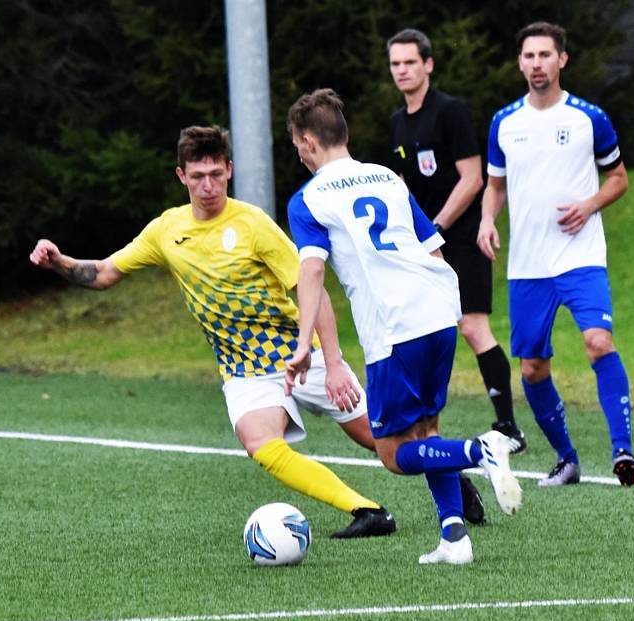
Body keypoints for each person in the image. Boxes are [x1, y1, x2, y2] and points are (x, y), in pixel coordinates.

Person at [29, 125, 396, 538]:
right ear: (181, 176)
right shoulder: (167, 230)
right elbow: (104, 272)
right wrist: (58, 261)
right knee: (262, 444)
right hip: (243, 370)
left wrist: (333, 364)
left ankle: (452, 480)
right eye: (198, 176)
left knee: (385, 443)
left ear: (230, 171)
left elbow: (314, 290)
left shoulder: (253, 223)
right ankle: (368, 511)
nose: (208, 186)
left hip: (299, 355)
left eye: (216, 175)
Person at [284, 88, 522, 565]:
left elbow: (311, 272)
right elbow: (432, 245)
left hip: (393, 326)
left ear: (308, 142)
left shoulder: (308, 199)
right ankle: (454, 538)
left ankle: (482, 451)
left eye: (297, 146)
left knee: (393, 453)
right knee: (426, 429)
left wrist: (304, 343)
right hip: (438, 309)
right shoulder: (388, 179)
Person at [478, 22, 634, 487]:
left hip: (581, 256)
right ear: (520, 63)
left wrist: (590, 205)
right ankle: (566, 459)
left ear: (562, 60)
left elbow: (619, 178)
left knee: (598, 342)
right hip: (527, 266)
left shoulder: (589, 118)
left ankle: (623, 450)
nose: (536, 64)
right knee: (532, 366)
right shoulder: (504, 123)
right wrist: (488, 220)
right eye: (529, 56)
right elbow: (494, 186)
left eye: (545, 55)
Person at [387, 29, 526, 457]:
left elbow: (473, 178)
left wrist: (437, 226)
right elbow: (406, 185)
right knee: (426, 328)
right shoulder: (397, 122)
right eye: (395, 64)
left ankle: (509, 427)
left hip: (461, 237)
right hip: (423, 243)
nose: (402, 71)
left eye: (410, 62)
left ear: (428, 64)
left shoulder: (451, 112)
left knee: (472, 325)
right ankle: (424, 423)